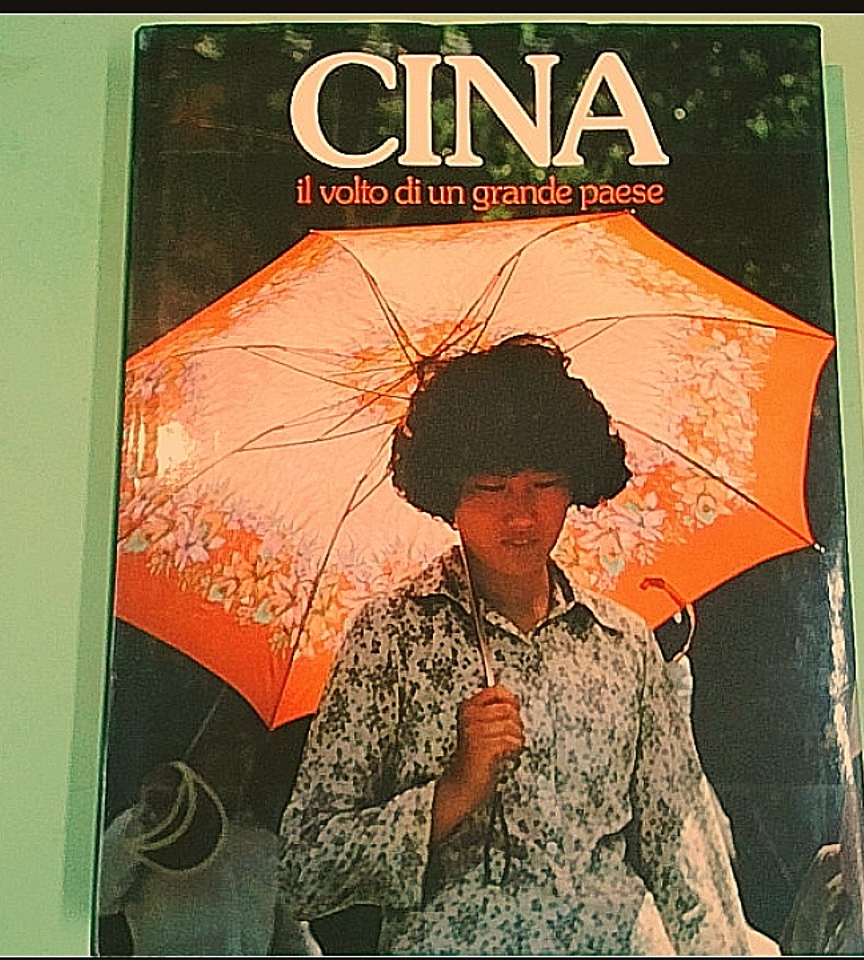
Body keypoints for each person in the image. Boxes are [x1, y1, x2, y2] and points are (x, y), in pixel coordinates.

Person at [279, 334, 758, 955]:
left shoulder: (624, 643)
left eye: (544, 483)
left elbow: (681, 851)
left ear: (575, 484)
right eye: (491, 486)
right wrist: (453, 791)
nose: (522, 515)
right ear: (448, 493)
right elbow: (304, 867)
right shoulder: (391, 636)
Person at [97, 721, 322, 956]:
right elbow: (98, 896)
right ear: (194, 749)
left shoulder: (266, 842)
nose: (236, 759)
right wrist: (148, 814)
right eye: (222, 744)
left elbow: (293, 938)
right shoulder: (149, 827)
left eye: (243, 746)